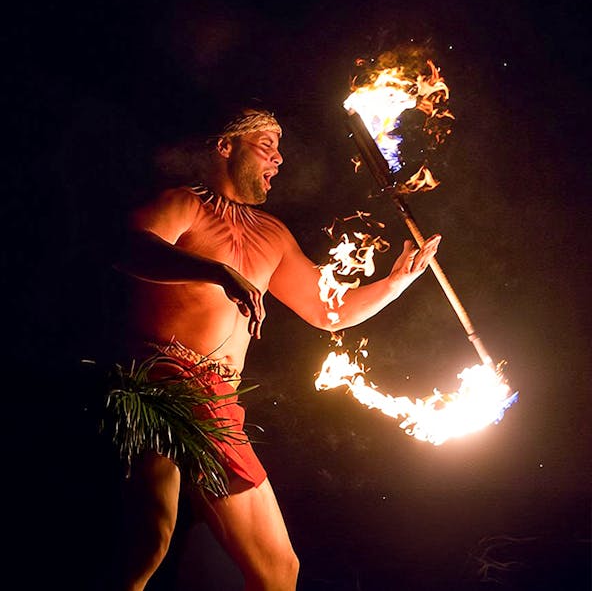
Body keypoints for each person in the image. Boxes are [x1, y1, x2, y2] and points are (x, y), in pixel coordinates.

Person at [114, 107, 441, 591]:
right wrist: (217, 271)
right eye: (266, 145)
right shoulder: (183, 204)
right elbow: (127, 248)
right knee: (148, 542)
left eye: (279, 148)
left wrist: (395, 284)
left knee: (278, 572)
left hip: (218, 406)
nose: (279, 158)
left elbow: (328, 312)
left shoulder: (272, 235)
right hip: (155, 388)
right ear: (225, 147)